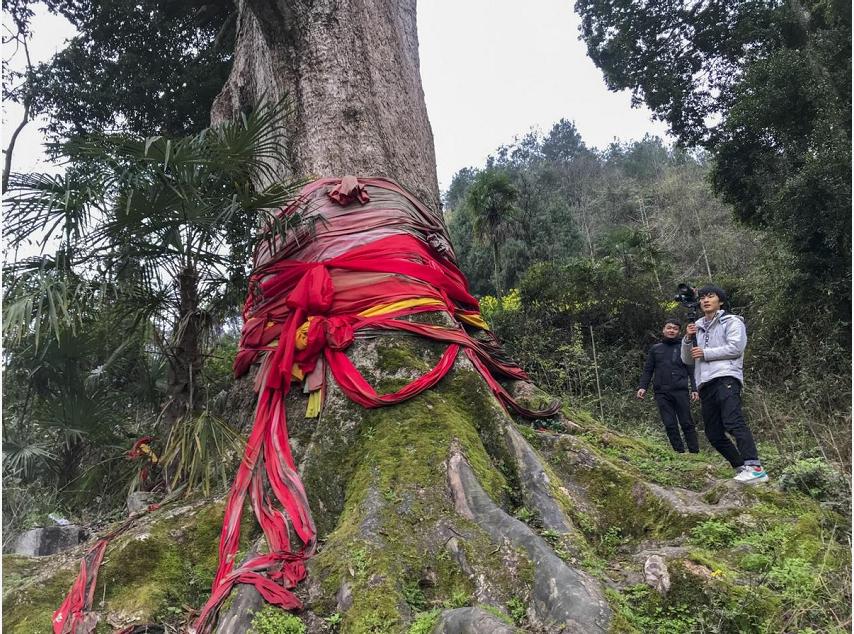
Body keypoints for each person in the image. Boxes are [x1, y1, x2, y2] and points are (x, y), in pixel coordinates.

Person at [682, 285, 769, 484]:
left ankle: (755, 467)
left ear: (720, 301)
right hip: (705, 382)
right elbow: (687, 359)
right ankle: (741, 468)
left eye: (710, 296)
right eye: (702, 297)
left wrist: (706, 353)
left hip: (726, 377)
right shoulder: (697, 326)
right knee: (713, 433)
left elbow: (736, 348)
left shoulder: (732, 321)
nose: (705, 300)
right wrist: (687, 339)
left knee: (733, 421)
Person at [636, 319, 700, 453]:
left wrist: (695, 388)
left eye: (675, 329)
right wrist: (642, 387)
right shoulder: (655, 349)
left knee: (686, 422)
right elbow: (648, 370)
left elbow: (691, 369)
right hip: (661, 392)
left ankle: (694, 452)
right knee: (669, 424)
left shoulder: (684, 347)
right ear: (663, 330)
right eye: (669, 328)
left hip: (680, 391)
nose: (672, 331)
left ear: (679, 332)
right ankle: (679, 452)